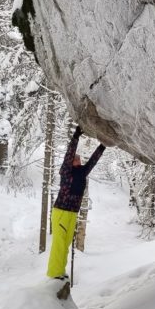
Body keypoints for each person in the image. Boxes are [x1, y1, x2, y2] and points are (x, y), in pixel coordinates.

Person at [47, 125, 105, 295]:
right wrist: (76, 137)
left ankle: (60, 271)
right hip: (61, 212)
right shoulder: (66, 171)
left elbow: (93, 160)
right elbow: (68, 155)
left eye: (79, 159)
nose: (77, 161)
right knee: (59, 243)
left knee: (65, 244)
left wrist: (102, 146)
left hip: (72, 213)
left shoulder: (82, 172)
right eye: (75, 159)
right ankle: (54, 273)